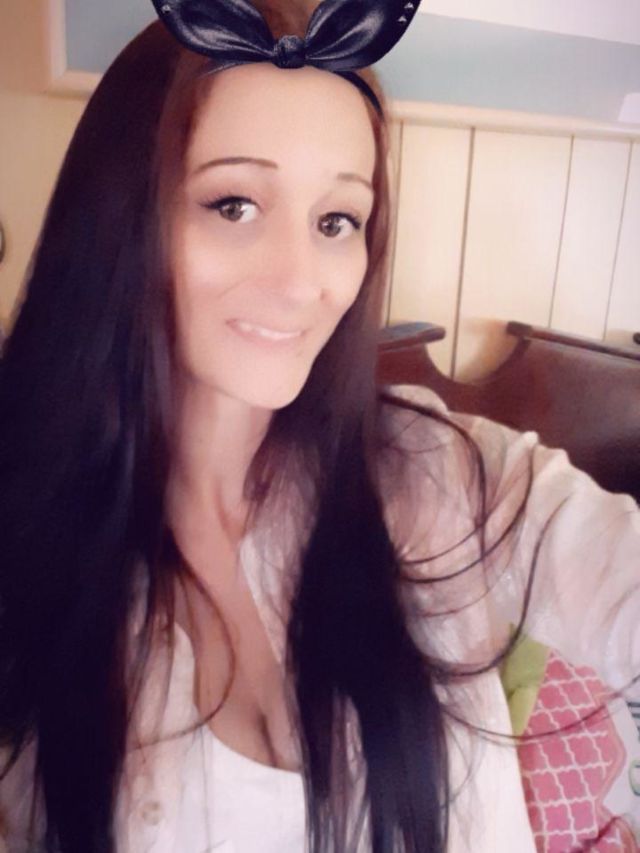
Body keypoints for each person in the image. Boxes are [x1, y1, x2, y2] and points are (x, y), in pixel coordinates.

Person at [0, 2, 638, 851]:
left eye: (337, 220)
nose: (302, 281)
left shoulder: (435, 467)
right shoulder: (26, 535)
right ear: (118, 218)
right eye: (234, 204)